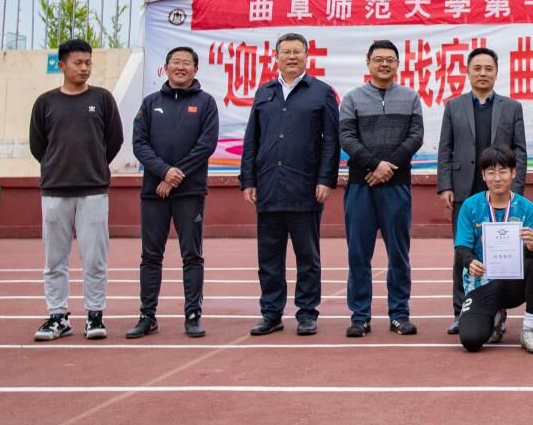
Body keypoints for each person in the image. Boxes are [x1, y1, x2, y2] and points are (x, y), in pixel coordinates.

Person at [239, 33, 340, 337]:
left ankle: (307, 313)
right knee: (269, 257)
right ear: (277, 57)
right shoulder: (264, 92)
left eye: (297, 52)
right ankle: (271, 313)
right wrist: (248, 179)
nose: (292, 57)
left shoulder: (321, 93)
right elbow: (251, 139)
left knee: (307, 257)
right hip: (269, 185)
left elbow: (331, 141)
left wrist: (325, 179)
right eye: (286, 52)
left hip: (305, 187)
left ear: (307, 56)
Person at [29, 39, 123, 342]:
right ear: (62, 65)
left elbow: (115, 140)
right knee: (54, 260)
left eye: (88, 63)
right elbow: (38, 145)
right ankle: (58, 316)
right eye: (77, 63)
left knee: (94, 258)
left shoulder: (102, 99)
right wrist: (57, 166)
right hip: (55, 191)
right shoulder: (46, 103)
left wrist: (94, 165)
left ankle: (95, 315)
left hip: (93, 190)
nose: (84, 68)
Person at [127, 46, 220, 339]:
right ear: (165, 67)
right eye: (176, 62)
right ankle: (147, 316)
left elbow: (206, 145)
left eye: (186, 63)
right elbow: (139, 144)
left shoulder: (206, 103)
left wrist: (176, 175)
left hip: (190, 192)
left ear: (196, 69)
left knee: (192, 255)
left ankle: (192, 315)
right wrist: (164, 171)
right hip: (154, 191)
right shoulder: (150, 103)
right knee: (150, 256)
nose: (181, 67)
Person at [437, 47, 528, 335]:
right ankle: (460, 311)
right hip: (465, 190)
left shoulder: (511, 107)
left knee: (502, 252)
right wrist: (445, 185)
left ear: (496, 73)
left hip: (502, 191)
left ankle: (498, 312)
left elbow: (520, 151)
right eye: (477, 68)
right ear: (467, 72)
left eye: (488, 68)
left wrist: (517, 188)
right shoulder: (454, 106)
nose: (483, 73)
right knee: (463, 252)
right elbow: (445, 149)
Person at [339, 39, 425, 337]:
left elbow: (416, 137)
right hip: (360, 187)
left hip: (396, 187)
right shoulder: (352, 98)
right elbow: (346, 137)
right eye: (379, 59)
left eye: (390, 59)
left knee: (398, 253)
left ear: (398, 64)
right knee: (358, 254)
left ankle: (399, 314)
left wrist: (389, 167)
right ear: (368, 62)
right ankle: (360, 316)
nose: (384, 64)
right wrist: (375, 165)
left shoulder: (410, 97)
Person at [453, 146, 533, 354]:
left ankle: (529, 331)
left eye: (503, 171)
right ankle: (495, 317)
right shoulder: (470, 206)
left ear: (513, 173)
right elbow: (462, 247)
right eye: (491, 172)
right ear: (483, 175)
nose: (497, 178)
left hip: (513, 283)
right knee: (471, 340)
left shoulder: (527, 208)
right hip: (482, 283)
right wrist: (470, 262)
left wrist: (532, 246)